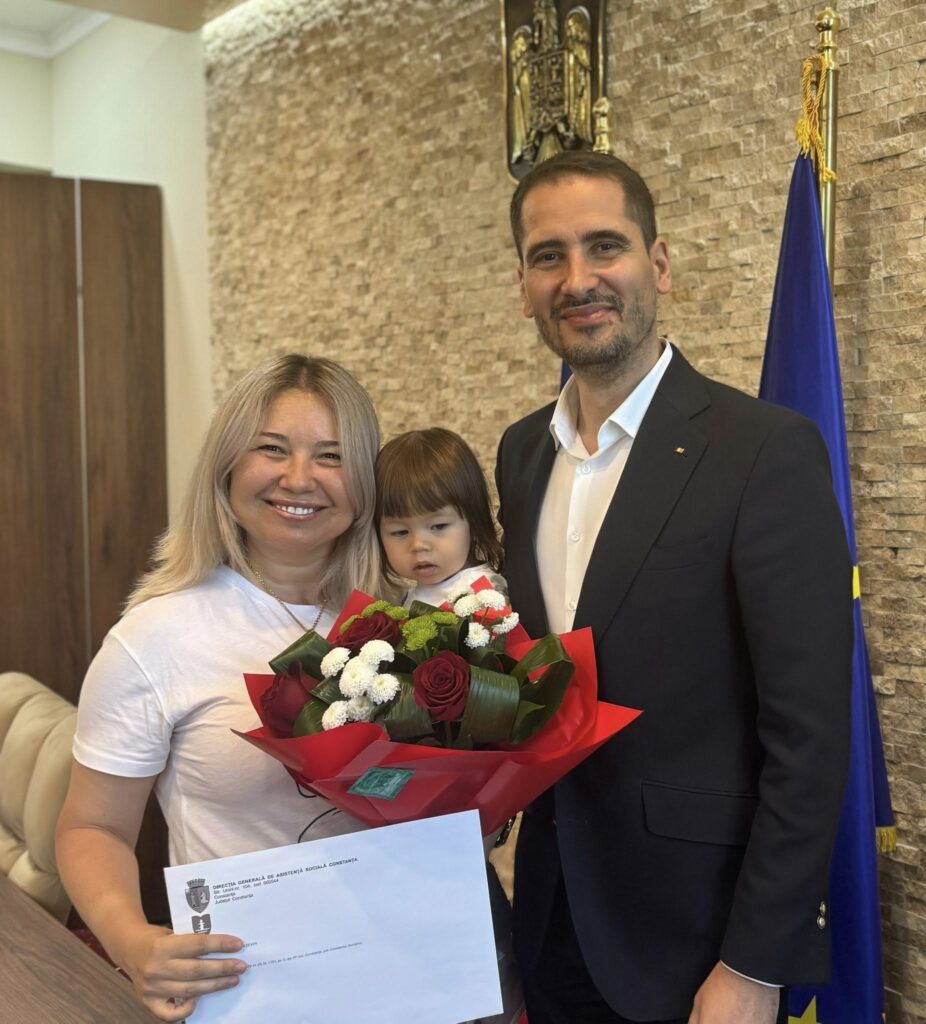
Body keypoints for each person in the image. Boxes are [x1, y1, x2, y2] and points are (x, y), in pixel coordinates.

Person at [495, 150, 853, 1024]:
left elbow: (808, 737)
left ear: (657, 264)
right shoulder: (521, 454)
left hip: (698, 949)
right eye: (548, 257)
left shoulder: (763, 450)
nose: (578, 280)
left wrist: (754, 965)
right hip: (550, 925)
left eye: (604, 246)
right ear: (525, 287)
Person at [56, 354, 387, 1022]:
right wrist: (133, 942)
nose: (300, 478)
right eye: (273, 449)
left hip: (405, 980)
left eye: (331, 456)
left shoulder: (409, 625)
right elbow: (92, 827)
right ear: (227, 467)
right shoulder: (156, 637)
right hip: (252, 997)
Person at [376, 427, 505, 607]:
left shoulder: (481, 595)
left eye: (438, 526)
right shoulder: (409, 595)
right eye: (400, 532)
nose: (418, 545)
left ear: (474, 522)